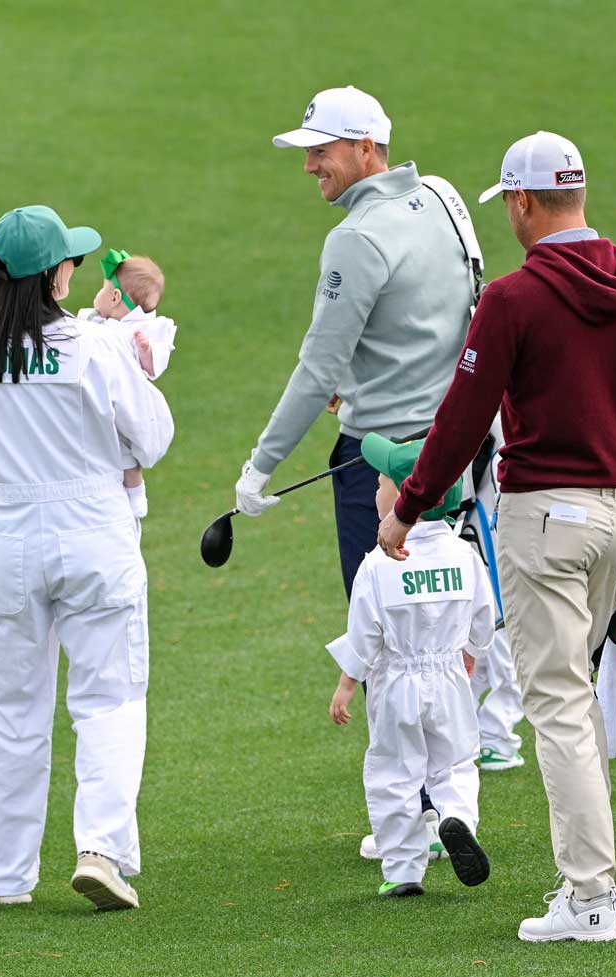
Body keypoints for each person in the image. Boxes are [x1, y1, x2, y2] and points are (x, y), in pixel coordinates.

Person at [379, 131, 616, 943]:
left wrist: (409, 505)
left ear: (525, 201)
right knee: (576, 696)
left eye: (512, 207)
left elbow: (461, 421)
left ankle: (591, 896)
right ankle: (587, 886)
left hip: (544, 519)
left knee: (558, 703)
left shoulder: (513, 300)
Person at [0, 205, 173, 910]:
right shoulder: (93, 347)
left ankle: (4, 876)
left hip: (8, 532)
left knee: (5, 708)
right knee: (109, 697)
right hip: (92, 525)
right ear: (54, 275)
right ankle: (101, 848)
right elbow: (152, 437)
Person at [234, 85, 477, 600]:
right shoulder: (439, 195)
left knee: (385, 643)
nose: (308, 166)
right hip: (461, 452)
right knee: (456, 634)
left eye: (321, 151)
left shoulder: (354, 237)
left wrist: (261, 466)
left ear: (365, 148)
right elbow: (445, 312)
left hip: (381, 466)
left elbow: (317, 369)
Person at [327, 434, 495, 897]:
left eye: (381, 482)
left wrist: (346, 685)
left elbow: (365, 634)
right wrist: (471, 653)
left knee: (394, 772)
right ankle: (457, 816)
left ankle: (402, 868)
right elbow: (484, 619)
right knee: (455, 762)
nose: (376, 491)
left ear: (404, 496)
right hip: (449, 678)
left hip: (395, 681)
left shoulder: (378, 564)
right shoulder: (465, 555)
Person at [79, 249, 177, 521]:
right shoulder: (99, 323)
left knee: (127, 455)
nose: (99, 293)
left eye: (104, 287)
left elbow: (153, 367)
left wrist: (146, 351)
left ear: (115, 297)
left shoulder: (142, 331)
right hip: (104, 399)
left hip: (129, 402)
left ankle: (136, 496)